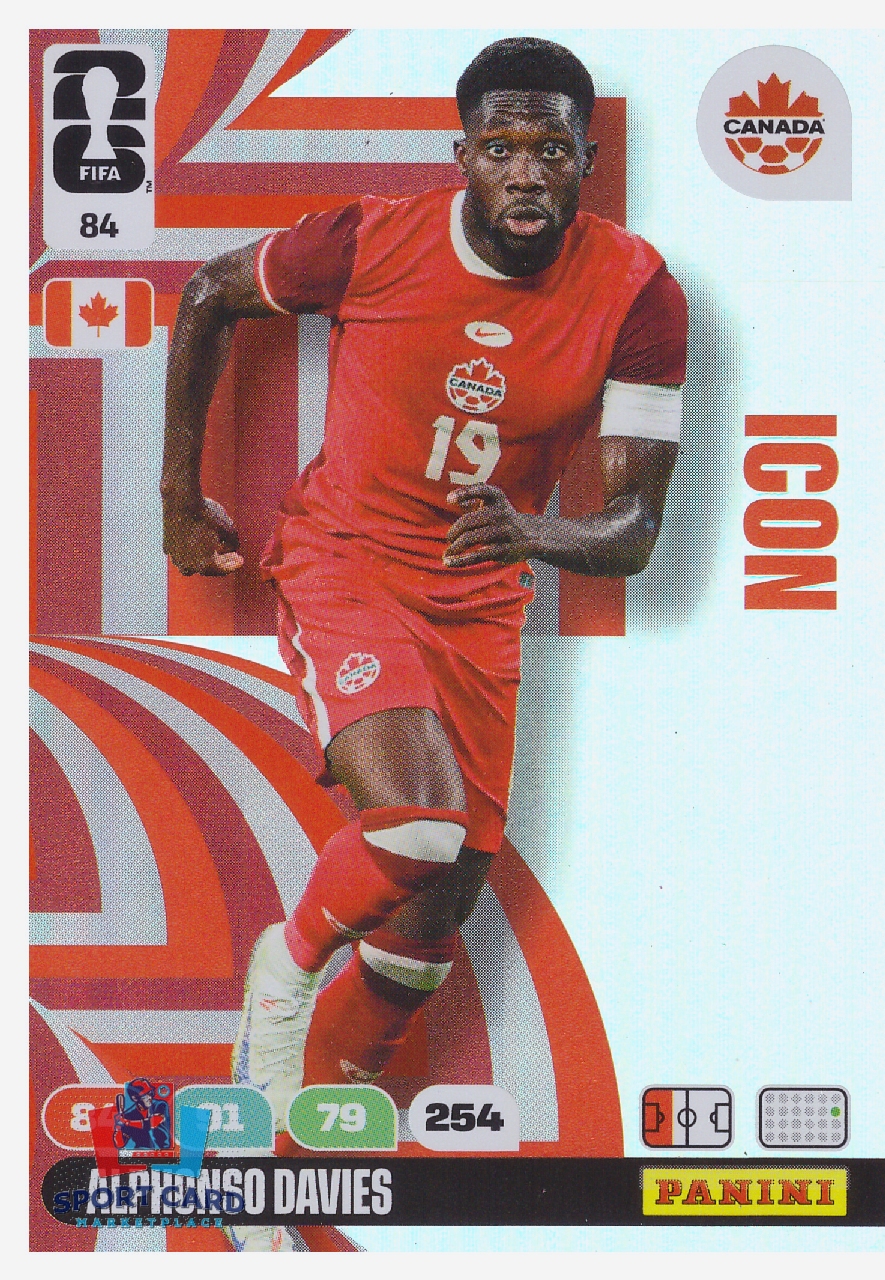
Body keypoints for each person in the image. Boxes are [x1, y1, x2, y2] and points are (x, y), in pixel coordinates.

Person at [161, 36, 686, 1249]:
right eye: (500, 146)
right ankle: (281, 976)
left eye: (551, 148)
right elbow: (206, 293)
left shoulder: (638, 294)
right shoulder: (370, 241)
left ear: (586, 162)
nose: (525, 171)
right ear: (462, 156)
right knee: (418, 823)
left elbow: (635, 530)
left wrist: (536, 531)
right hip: (349, 562)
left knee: (428, 929)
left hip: (484, 606)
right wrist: (179, 497)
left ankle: (276, 1177)